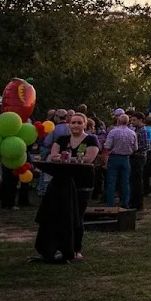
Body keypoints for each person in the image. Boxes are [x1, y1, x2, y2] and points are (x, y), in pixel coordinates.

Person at [36, 112, 100, 262]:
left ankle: (76, 249)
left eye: (79, 122)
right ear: (69, 124)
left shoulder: (91, 139)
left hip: (82, 184)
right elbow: (53, 156)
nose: (76, 125)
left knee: (77, 216)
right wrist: (73, 158)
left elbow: (89, 158)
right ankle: (58, 246)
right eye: (73, 122)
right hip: (62, 184)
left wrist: (65, 158)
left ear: (85, 124)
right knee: (60, 215)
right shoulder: (62, 139)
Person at [102, 112, 137, 208]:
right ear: (128, 122)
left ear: (118, 121)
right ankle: (125, 203)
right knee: (125, 182)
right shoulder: (132, 133)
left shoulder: (113, 132)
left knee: (111, 182)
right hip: (126, 158)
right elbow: (135, 148)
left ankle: (110, 203)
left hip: (114, 157)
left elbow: (107, 146)